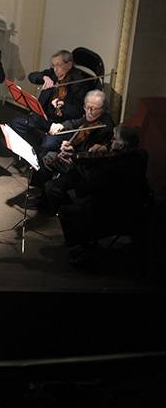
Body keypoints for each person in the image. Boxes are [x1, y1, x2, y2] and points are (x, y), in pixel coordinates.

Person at [55, 125, 150, 267]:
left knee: (66, 211)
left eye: (114, 138)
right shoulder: (140, 155)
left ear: (121, 144)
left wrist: (74, 166)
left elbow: (86, 187)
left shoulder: (115, 166)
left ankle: (86, 249)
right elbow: (109, 160)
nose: (111, 140)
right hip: (134, 204)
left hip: (115, 211)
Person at [25, 89, 114, 211]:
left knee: (50, 164)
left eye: (93, 108)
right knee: (46, 155)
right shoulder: (90, 117)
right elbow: (76, 122)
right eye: (86, 107)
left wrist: (72, 153)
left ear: (103, 109)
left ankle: (65, 207)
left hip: (85, 168)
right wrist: (62, 128)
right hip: (75, 157)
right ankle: (44, 200)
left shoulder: (105, 128)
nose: (89, 112)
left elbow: (91, 155)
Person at [9, 50, 87, 169]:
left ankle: (38, 165)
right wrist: (44, 77)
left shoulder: (78, 82)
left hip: (60, 124)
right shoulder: (52, 74)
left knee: (48, 142)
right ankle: (31, 155)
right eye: (53, 65)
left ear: (69, 64)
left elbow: (78, 111)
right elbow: (32, 76)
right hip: (43, 118)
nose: (55, 69)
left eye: (58, 65)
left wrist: (63, 106)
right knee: (16, 124)